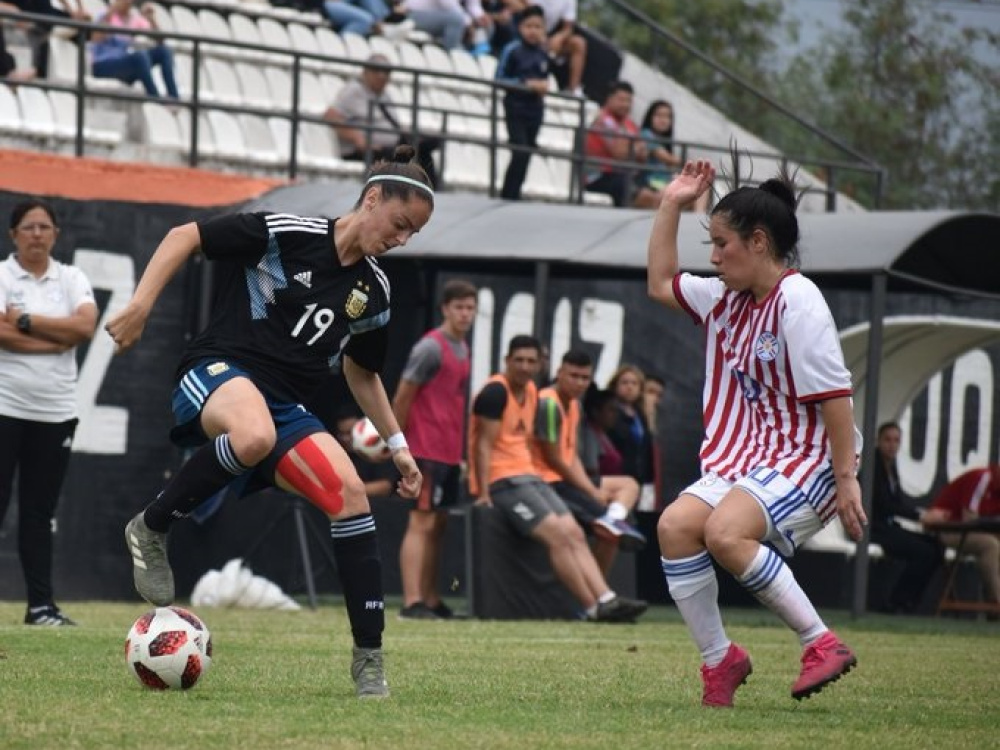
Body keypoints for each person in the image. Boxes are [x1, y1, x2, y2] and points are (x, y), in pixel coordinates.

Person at [105, 146, 435, 699]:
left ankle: (369, 662)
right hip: (218, 371)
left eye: (412, 234)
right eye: (400, 224)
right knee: (253, 434)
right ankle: (152, 525)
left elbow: (363, 371)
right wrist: (140, 305)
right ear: (373, 198)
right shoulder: (287, 232)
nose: (402, 239)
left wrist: (398, 444)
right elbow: (185, 235)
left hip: (283, 406)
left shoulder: (374, 291)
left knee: (352, 497)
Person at [647, 159, 866, 707]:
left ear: (760, 242)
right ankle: (721, 661)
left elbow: (836, 397)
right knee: (675, 526)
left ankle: (821, 643)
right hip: (746, 464)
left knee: (724, 533)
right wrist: (671, 203)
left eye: (722, 244)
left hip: (808, 461)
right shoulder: (724, 298)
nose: (714, 257)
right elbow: (658, 283)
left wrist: (846, 480)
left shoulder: (798, 301)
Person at [468, 334, 647, 622]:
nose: (525, 367)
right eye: (519, 360)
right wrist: (483, 492)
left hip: (531, 477)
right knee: (559, 535)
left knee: (574, 532)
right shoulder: (495, 392)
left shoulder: (532, 392)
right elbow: (483, 445)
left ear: (540, 364)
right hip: (505, 481)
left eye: (531, 361)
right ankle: (592, 606)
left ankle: (606, 599)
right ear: (506, 361)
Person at [0, 199, 98, 626]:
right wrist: (53, 339)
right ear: (13, 235)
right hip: (5, 408)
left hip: (56, 412)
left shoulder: (72, 278)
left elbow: (84, 327)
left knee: (39, 514)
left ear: (56, 233)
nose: (36, 234)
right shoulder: (2, 275)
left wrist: (22, 323)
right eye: (28, 227)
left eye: (44, 226)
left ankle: (40, 608)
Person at [391, 278, 477, 620]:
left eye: (470, 308)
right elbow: (402, 396)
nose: (465, 314)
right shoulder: (430, 347)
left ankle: (430, 598)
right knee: (421, 522)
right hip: (424, 448)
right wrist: (396, 443)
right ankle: (411, 602)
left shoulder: (463, 348)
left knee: (438, 524)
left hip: (449, 451)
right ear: (445, 309)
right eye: (459, 307)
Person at [532, 349, 645, 576]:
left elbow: (571, 456)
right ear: (559, 373)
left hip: (567, 479)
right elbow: (555, 459)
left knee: (630, 485)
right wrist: (591, 491)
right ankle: (597, 596)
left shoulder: (574, 405)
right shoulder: (548, 403)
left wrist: (589, 489)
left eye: (585, 378)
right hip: (546, 482)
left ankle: (613, 519)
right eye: (573, 376)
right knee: (608, 533)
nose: (580, 383)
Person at [324, 53, 441, 190]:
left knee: (427, 146)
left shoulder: (384, 94)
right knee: (410, 153)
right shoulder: (354, 90)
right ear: (365, 71)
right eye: (377, 70)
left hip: (389, 147)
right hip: (368, 151)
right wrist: (358, 139)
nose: (382, 75)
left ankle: (432, 192)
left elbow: (390, 123)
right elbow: (331, 115)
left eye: (387, 72)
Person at [867, 421, 944, 614]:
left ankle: (910, 601)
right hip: (874, 529)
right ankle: (897, 601)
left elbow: (897, 503)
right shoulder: (872, 466)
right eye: (887, 440)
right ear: (878, 441)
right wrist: (920, 515)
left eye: (896, 440)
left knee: (936, 546)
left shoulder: (890, 467)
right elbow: (884, 505)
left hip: (889, 527)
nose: (892, 445)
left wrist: (921, 514)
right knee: (923, 552)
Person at [923, 464, 1000, 610]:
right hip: (949, 528)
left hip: (975, 532)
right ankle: (996, 599)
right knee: (990, 545)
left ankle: (992, 604)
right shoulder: (982, 478)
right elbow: (969, 518)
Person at [494, 4, 548, 202]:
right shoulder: (512, 49)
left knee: (527, 154)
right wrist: (525, 84)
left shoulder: (542, 53)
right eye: (529, 26)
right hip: (515, 109)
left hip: (535, 111)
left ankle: (515, 194)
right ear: (520, 27)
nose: (533, 31)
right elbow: (499, 79)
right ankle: (508, 195)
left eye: (538, 26)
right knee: (520, 152)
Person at [89, 0, 178, 99]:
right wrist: (112, 11)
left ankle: (173, 99)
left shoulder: (133, 19)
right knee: (140, 57)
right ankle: (155, 99)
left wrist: (151, 20)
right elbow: (96, 39)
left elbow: (160, 41)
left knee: (164, 52)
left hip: (123, 64)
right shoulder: (105, 16)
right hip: (103, 65)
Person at [583, 81, 651, 208]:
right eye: (621, 100)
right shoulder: (603, 119)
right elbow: (620, 153)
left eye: (629, 101)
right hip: (599, 176)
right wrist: (635, 148)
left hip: (623, 175)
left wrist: (632, 149)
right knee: (636, 192)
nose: (625, 104)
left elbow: (644, 155)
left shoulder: (629, 123)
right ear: (610, 98)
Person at [637, 101, 711, 213]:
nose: (663, 120)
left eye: (667, 116)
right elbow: (666, 158)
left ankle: (699, 216)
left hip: (666, 182)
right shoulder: (646, 134)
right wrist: (691, 164)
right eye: (659, 115)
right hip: (651, 184)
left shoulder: (666, 141)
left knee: (701, 182)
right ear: (650, 117)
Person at [606, 364, 656, 510]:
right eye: (625, 382)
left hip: (638, 478)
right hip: (616, 477)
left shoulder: (641, 415)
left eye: (634, 383)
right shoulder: (609, 413)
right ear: (615, 385)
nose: (629, 387)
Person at [534, 0, 586, 96]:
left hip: (547, 37)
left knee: (578, 43)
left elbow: (568, 27)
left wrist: (559, 37)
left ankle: (573, 90)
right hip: (525, 27)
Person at [317, 0, 414, 40]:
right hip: (329, 5)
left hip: (350, 8)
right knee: (365, 20)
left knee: (367, 19)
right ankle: (385, 29)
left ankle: (387, 24)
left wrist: (394, 9)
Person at [405, 0, 478, 50]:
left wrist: (480, 17)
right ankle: (450, 56)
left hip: (439, 20)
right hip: (413, 15)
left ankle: (475, 51)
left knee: (485, 25)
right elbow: (448, 4)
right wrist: (469, 23)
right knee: (456, 20)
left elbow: (474, 6)